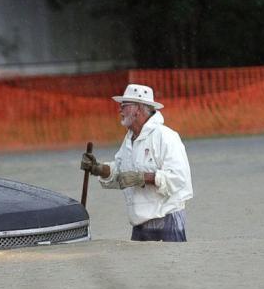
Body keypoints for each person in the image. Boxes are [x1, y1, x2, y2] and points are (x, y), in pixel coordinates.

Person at [80, 84, 193, 241]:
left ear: (138, 109)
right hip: (139, 223)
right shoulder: (129, 139)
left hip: (167, 219)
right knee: (138, 265)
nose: (120, 110)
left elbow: (179, 179)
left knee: (170, 263)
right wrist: (99, 168)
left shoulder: (166, 137)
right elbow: (120, 172)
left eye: (124, 106)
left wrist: (142, 178)